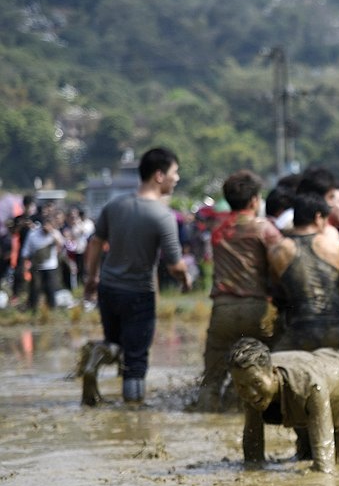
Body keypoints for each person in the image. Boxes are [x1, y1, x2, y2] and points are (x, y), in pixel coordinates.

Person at [83, 147, 192, 404]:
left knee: (116, 343)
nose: (177, 178)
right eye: (174, 173)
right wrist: (185, 280)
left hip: (108, 289)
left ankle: (95, 358)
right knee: (136, 359)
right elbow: (175, 265)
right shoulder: (162, 216)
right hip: (139, 293)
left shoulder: (114, 205)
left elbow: (96, 243)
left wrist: (91, 279)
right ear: (159, 175)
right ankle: (133, 414)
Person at [192, 170, 283, 412]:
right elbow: (280, 266)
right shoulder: (265, 229)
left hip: (223, 309)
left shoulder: (218, 230)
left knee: (211, 379)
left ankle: (205, 421)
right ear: (255, 200)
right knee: (261, 372)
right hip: (258, 309)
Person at [227, 337, 339, 473]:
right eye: (240, 386)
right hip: (317, 373)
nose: (251, 393)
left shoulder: (308, 386)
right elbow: (252, 455)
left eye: (257, 383)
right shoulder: (248, 381)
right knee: (305, 455)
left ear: (274, 373)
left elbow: (324, 466)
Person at [268, 192, 339, 352]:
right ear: (318, 217)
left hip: (300, 331)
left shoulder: (278, 251)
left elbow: (278, 289)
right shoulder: (335, 246)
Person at [21, 208, 64, 311]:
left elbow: (61, 246)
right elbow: (26, 251)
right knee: (35, 289)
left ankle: (52, 310)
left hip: (50, 267)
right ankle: (33, 309)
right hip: (36, 267)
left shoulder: (55, 234)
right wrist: (25, 265)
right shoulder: (33, 234)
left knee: (50, 289)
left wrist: (53, 235)